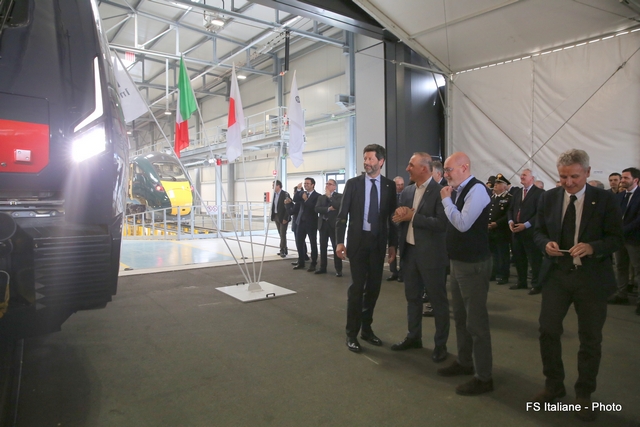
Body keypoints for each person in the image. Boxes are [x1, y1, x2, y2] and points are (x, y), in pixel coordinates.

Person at [532, 149, 622, 422]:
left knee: (590, 338)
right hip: (557, 275)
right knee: (548, 330)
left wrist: (593, 247)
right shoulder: (549, 197)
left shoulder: (605, 199)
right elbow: (538, 231)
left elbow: (616, 238)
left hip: (591, 278)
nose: (568, 182)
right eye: (563, 177)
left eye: (574, 176)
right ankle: (554, 385)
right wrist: (545, 244)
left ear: (587, 172)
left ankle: (584, 393)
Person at [437, 152, 494, 396]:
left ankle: (484, 377)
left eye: (449, 170)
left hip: (473, 265)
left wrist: (446, 201)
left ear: (464, 167)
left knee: (476, 322)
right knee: (461, 317)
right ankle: (465, 361)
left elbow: (462, 223)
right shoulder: (458, 190)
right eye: (445, 170)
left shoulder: (477, 190)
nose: (446, 174)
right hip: (459, 262)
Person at [336, 144, 397, 353]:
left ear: (381, 161)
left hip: (378, 244)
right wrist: (339, 241)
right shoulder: (353, 184)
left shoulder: (389, 186)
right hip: (358, 243)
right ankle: (351, 334)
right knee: (356, 289)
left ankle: (367, 329)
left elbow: (392, 218)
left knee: (373, 289)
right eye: (365, 158)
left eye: (370, 159)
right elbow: (342, 215)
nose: (366, 162)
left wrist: (393, 245)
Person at [390, 153, 449, 363]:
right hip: (410, 253)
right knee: (412, 298)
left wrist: (413, 216)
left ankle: (440, 345)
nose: (407, 168)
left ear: (424, 168)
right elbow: (400, 219)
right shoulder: (407, 192)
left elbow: (442, 224)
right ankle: (414, 337)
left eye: (411, 165)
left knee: (438, 301)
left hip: (432, 256)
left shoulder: (440, 192)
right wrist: (399, 215)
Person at [508, 169, 544, 294]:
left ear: (532, 178)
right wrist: (510, 221)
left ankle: (536, 284)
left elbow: (540, 213)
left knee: (534, 260)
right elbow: (511, 209)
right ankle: (521, 281)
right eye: (521, 174)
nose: (521, 176)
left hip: (531, 232)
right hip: (516, 231)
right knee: (519, 258)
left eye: (524, 175)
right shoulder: (517, 192)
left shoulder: (540, 193)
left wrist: (526, 225)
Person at [609, 167, 640, 307]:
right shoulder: (619, 196)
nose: (622, 180)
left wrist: (622, 230)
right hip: (619, 239)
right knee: (620, 267)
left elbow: (638, 220)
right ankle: (622, 294)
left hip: (635, 239)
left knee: (638, 269)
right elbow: (614, 216)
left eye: (626, 178)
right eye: (622, 177)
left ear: (636, 180)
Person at [314, 179, 343, 276]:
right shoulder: (321, 197)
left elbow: (338, 206)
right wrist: (328, 209)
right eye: (326, 184)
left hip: (334, 225)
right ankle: (322, 267)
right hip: (323, 224)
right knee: (323, 247)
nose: (327, 185)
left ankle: (338, 269)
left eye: (329, 184)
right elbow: (317, 208)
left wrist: (330, 197)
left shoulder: (339, 196)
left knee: (336, 247)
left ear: (334, 187)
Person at [488, 174, 513, 285]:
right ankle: (493, 272)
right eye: (495, 183)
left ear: (505, 186)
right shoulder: (492, 197)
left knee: (502, 253)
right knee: (493, 253)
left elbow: (508, 214)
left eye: (498, 183)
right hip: (490, 230)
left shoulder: (509, 198)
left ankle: (503, 275)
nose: (495, 185)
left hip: (502, 230)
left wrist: (497, 223)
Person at [291, 178, 319, 272]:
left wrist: (306, 200)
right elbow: (295, 199)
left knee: (313, 243)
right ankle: (301, 262)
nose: (306, 185)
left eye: (308, 183)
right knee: (299, 242)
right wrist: (299, 190)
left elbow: (314, 208)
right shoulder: (302, 193)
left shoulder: (317, 196)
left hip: (311, 223)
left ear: (313, 185)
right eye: (305, 183)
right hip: (301, 222)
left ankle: (313, 263)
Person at [387, 176, 405, 282]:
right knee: (392, 248)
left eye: (402, 184)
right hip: (392, 227)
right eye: (398, 185)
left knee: (402, 251)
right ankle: (393, 272)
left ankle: (402, 273)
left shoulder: (406, 195)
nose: (400, 187)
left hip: (402, 227)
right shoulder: (389, 196)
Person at [271, 180, 290, 258]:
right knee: (280, 233)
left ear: (278, 186)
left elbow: (288, 207)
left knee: (283, 233)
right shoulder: (274, 195)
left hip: (283, 217)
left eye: (274, 185)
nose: (272, 187)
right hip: (276, 216)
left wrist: (286, 218)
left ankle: (282, 250)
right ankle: (285, 248)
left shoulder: (285, 194)